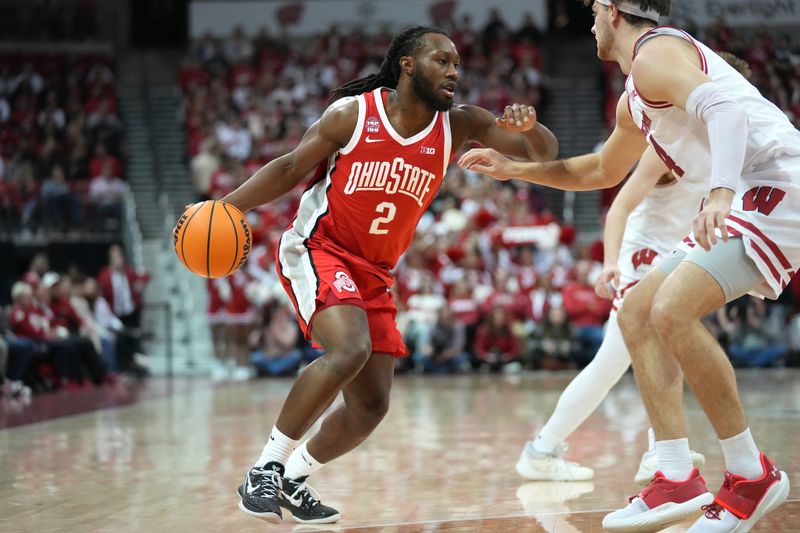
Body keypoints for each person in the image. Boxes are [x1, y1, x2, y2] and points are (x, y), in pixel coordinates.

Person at [459, 2, 799, 531]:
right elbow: (600, 169)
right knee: (638, 313)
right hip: (751, 190)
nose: (587, 22)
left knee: (670, 311)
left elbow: (727, 111)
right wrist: (515, 169)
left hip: (776, 182)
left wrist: (721, 192)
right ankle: (675, 475)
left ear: (611, 10)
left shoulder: (654, 52)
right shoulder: (635, 97)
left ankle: (750, 476)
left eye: (592, 11)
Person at [216, 25, 558, 525]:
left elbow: (543, 154)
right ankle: (266, 469)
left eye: (458, 64)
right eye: (442, 61)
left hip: (376, 272)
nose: (454, 72)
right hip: (320, 248)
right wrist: (224, 208)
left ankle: (293, 480)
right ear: (408, 64)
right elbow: (290, 167)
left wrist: (529, 129)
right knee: (349, 349)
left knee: (372, 405)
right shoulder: (353, 114)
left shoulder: (460, 124)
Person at [517, 147, 705, 481]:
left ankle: (545, 450)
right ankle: (656, 449)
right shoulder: (667, 146)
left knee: (617, 364)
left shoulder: (716, 143)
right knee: (620, 361)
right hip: (642, 257)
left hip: (674, 257)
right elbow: (619, 208)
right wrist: (610, 263)